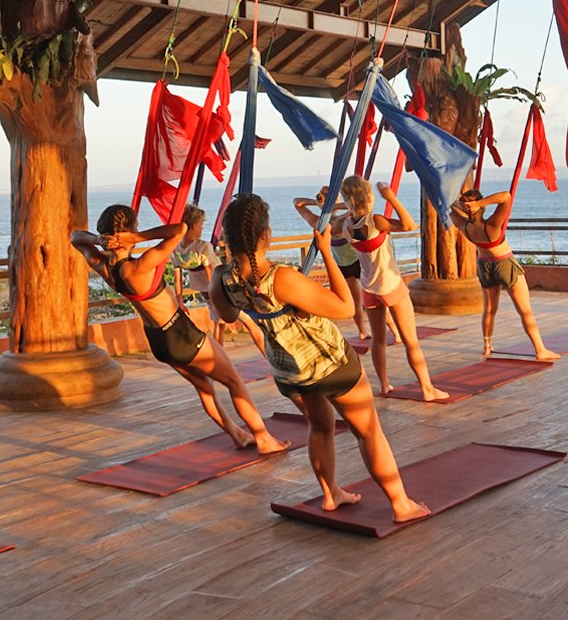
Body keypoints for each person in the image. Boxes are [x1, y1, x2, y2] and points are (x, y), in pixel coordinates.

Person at [210, 194, 430, 522]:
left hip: (288, 372)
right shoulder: (282, 278)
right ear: (265, 236)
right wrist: (327, 252)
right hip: (330, 364)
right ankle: (401, 504)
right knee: (368, 431)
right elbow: (344, 308)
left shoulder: (221, 279)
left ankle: (331, 494)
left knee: (321, 427)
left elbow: (227, 317)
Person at [71, 205, 288, 453]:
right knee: (234, 382)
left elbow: (75, 237)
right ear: (129, 232)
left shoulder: (104, 265)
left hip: (158, 340)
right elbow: (180, 230)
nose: (139, 231)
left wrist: (99, 240)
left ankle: (237, 435)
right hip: (179, 333)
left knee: (205, 388)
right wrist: (138, 239)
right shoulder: (140, 265)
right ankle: (264, 439)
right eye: (136, 229)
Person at [332, 176, 448, 401]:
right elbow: (409, 225)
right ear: (369, 196)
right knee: (410, 340)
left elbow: (319, 223)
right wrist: (391, 197)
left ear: (348, 200)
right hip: (391, 286)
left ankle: (384, 385)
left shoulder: (343, 225)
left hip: (369, 288)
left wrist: (342, 208)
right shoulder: (375, 221)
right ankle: (427, 389)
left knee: (378, 340)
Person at [448, 189, 558, 360]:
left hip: (484, 265)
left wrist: (460, 206)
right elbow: (506, 197)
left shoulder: (464, 226)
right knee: (525, 311)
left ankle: (486, 347)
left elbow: (450, 207)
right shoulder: (491, 226)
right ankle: (540, 350)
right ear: (480, 205)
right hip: (504, 264)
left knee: (490, 310)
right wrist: (478, 204)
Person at [172, 205, 265, 356]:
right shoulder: (202, 247)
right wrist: (219, 298)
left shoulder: (176, 250)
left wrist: (180, 302)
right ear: (195, 225)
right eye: (201, 225)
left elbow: (178, 280)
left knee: (219, 325)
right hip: (221, 289)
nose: (202, 228)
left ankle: (219, 359)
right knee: (249, 321)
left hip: (206, 293)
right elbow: (211, 275)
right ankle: (266, 355)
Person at [293, 187, 372, 340]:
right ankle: (362, 331)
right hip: (344, 264)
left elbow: (361, 207)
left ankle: (392, 329)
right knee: (356, 300)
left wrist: (329, 206)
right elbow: (296, 202)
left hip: (357, 260)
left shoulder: (343, 217)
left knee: (372, 296)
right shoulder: (320, 222)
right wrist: (318, 203)